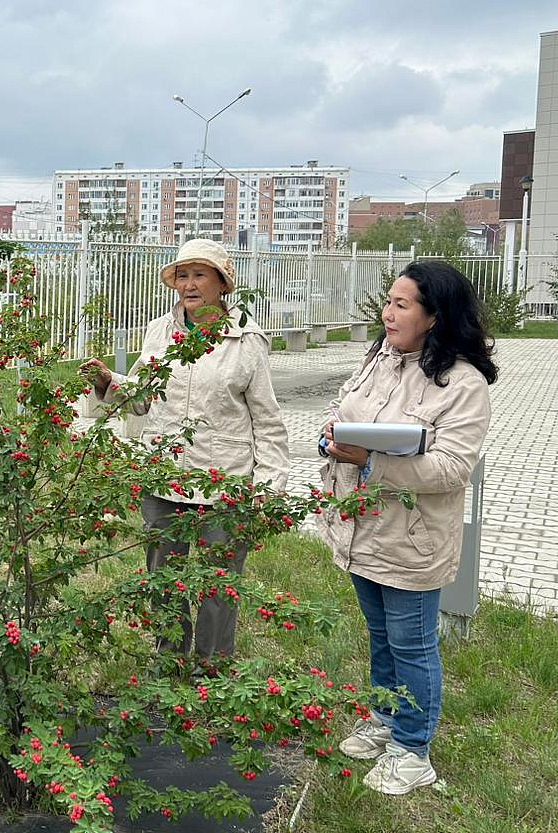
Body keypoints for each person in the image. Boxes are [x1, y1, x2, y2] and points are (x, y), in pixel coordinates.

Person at [320, 260, 495, 795]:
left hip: (412, 539)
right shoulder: (379, 357)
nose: (386, 313)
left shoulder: (462, 384)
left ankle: (412, 748)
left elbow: (450, 469)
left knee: (413, 644)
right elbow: (344, 406)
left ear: (434, 316)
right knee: (381, 637)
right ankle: (384, 718)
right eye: (387, 302)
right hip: (361, 526)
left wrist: (370, 460)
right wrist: (332, 434)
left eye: (401, 305)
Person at [82, 238, 288, 671]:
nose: (189, 285)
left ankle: (213, 664)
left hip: (223, 479)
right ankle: (170, 657)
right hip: (164, 473)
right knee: (164, 573)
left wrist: (268, 485)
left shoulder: (246, 339)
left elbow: (267, 420)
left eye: (199, 275)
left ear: (222, 283)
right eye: (182, 276)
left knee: (218, 579)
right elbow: (140, 398)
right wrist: (107, 382)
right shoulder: (160, 331)